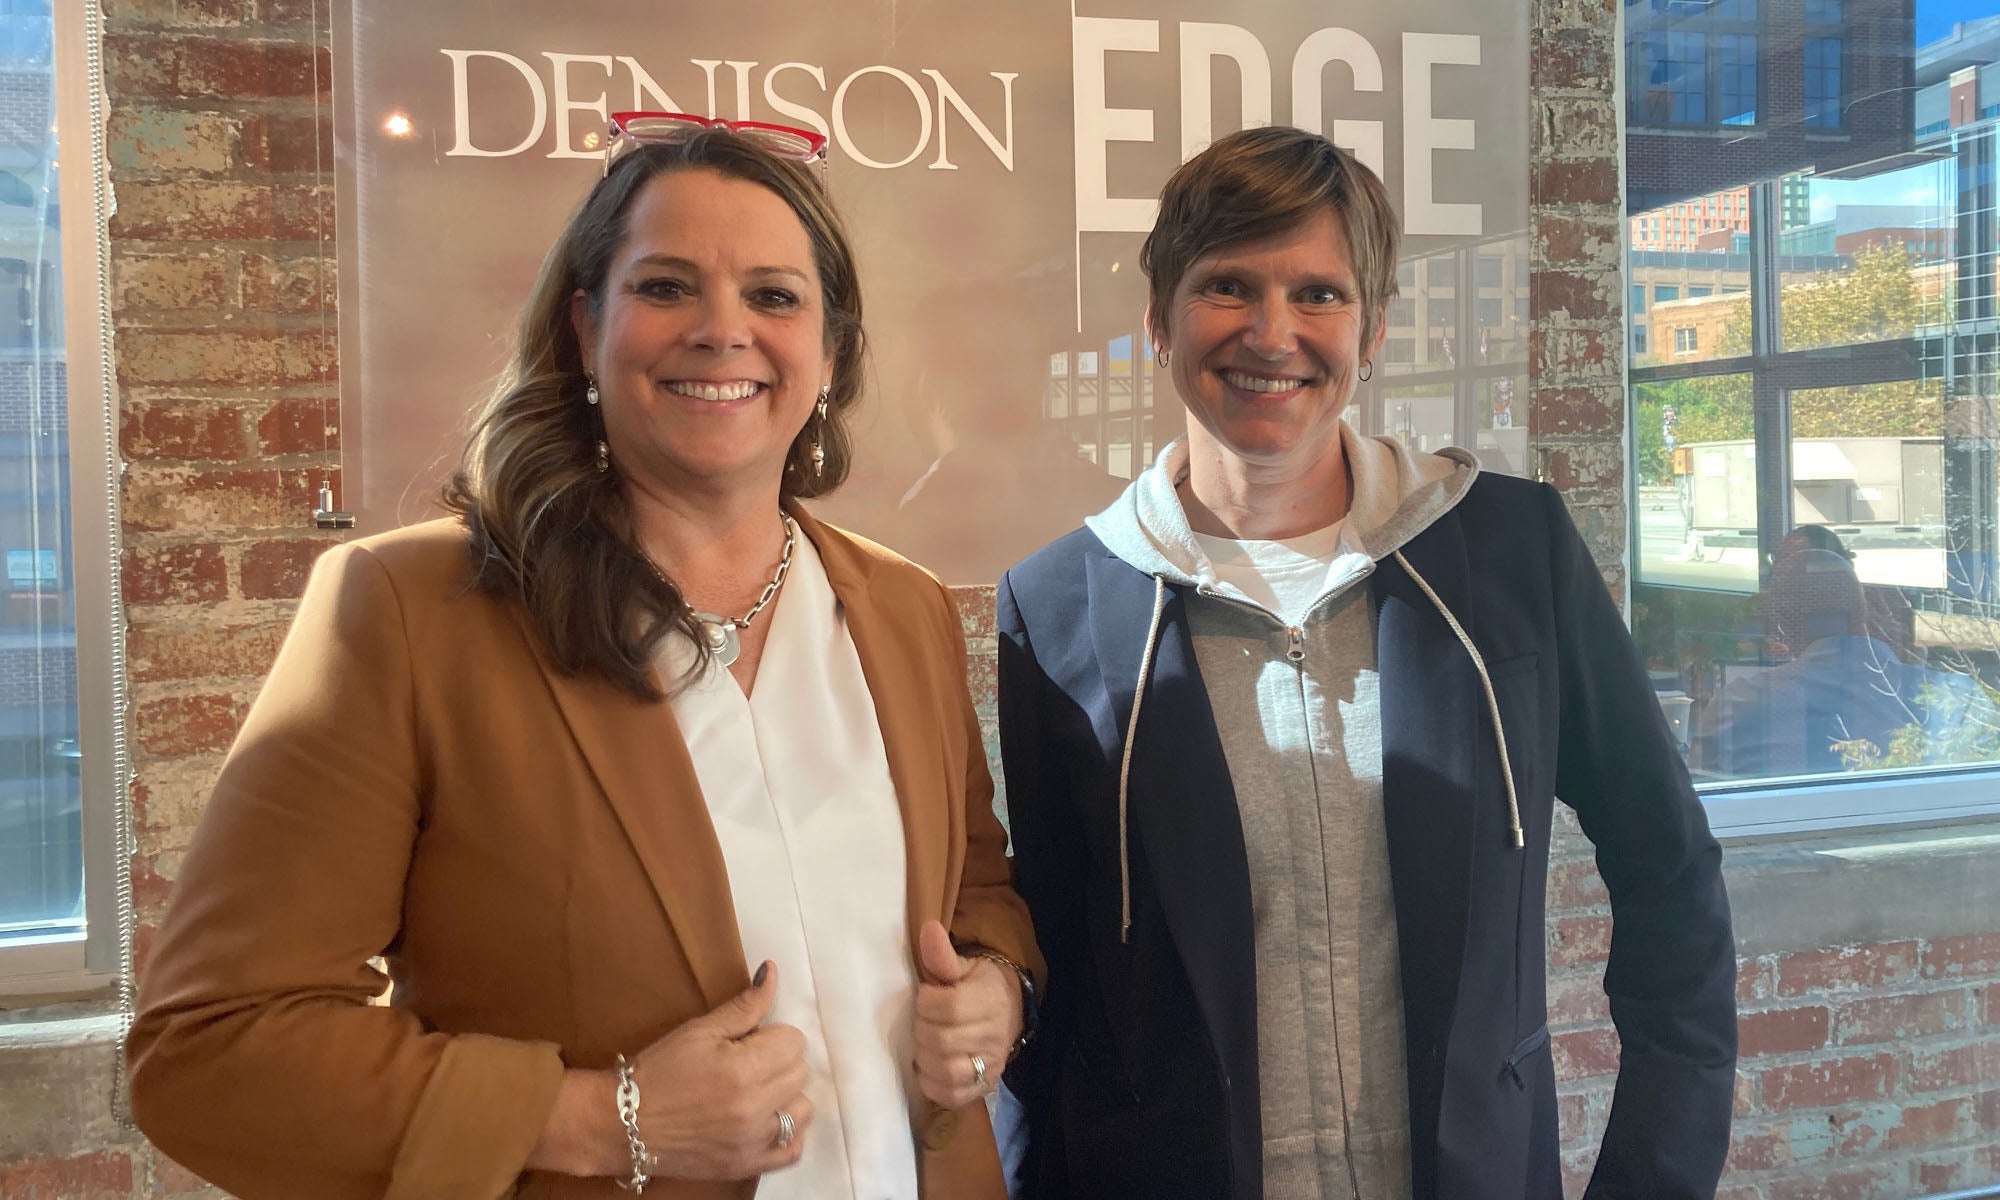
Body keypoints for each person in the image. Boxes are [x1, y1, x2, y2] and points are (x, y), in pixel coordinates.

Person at [125, 116, 1041, 1200]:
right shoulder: (411, 612)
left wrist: (998, 991)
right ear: (581, 329)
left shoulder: (904, 609)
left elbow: (976, 886)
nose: (721, 330)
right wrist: (605, 1122)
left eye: (774, 296)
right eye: (664, 287)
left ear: (828, 352)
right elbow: (208, 1053)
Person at [995, 126, 1736, 1200]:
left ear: (1374, 328)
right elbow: (1052, 981)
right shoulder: (1058, 604)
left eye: (1319, 294)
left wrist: (1654, 1178)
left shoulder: (1509, 554)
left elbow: (1667, 872)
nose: (1270, 331)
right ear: (1157, 317)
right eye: (1226, 286)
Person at [1694, 543, 1986, 777]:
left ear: (1781, 624)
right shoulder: (1958, 698)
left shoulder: (1738, 705)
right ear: (1864, 610)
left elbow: (1700, 797)